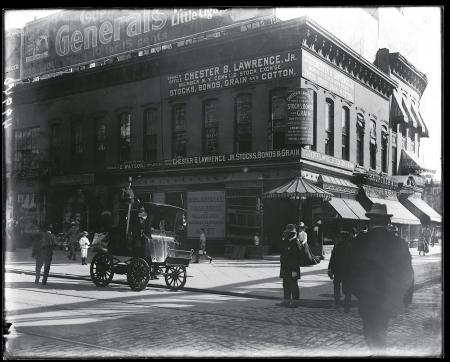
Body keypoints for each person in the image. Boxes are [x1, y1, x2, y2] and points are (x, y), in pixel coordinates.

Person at [347, 203, 414, 356]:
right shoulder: (399, 243)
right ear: (387, 222)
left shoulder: (359, 241)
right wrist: (399, 294)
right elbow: (408, 274)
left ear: (370, 221)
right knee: (380, 329)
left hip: (367, 298)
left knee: (370, 331)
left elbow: (350, 271)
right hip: (388, 299)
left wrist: (358, 292)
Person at [277, 224, 302, 308]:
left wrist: (295, 270)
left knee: (293, 285)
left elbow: (297, 258)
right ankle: (286, 301)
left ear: (292, 233)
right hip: (285, 267)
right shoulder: (286, 241)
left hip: (293, 268)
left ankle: (295, 302)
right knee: (286, 284)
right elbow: (282, 252)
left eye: (288, 233)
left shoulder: (296, 242)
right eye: (286, 232)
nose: (286, 234)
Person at [328, 230, 352, 311]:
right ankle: (347, 305)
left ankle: (337, 303)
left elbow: (332, 259)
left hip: (338, 270)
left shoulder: (338, 246)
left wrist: (330, 269)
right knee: (346, 288)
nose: (338, 238)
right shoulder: (350, 246)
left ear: (343, 238)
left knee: (337, 287)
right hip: (346, 271)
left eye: (340, 237)